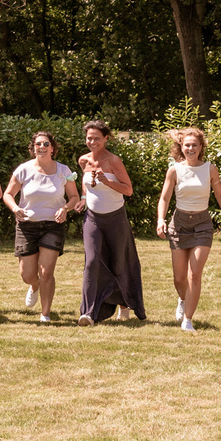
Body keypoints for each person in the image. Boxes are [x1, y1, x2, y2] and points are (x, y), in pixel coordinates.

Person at [154, 126, 221, 332]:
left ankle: (188, 319)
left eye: (194, 145)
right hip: (179, 224)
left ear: (201, 148)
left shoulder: (210, 169)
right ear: (182, 146)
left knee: (194, 274)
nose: (190, 148)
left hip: (202, 224)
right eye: (187, 145)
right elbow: (164, 198)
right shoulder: (174, 170)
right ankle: (182, 299)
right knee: (179, 278)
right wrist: (160, 220)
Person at [4, 131, 82, 325]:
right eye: (38, 144)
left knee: (47, 272)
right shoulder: (23, 170)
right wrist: (15, 208)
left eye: (46, 144)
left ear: (52, 148)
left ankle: (45, 314)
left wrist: (65, 208)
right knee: (27, 274)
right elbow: (7, 194)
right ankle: (34, 286)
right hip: (26, 226)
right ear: (33, 148)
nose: (42, 147)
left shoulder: (63, 170)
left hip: (52, 226)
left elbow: (74, 197)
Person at [77, 120, 146, 323]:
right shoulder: (83, 161)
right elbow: (86, 187)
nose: (92, 141)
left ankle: (124, 305)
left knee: (119, 263)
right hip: (93, 219)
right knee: (91, 262)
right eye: (89, 138)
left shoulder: (113, 161)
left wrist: (107, 181)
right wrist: (83, 199)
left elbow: (128, 190)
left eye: (97, 138)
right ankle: (88, 312)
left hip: (116, 219)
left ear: (106, 138)